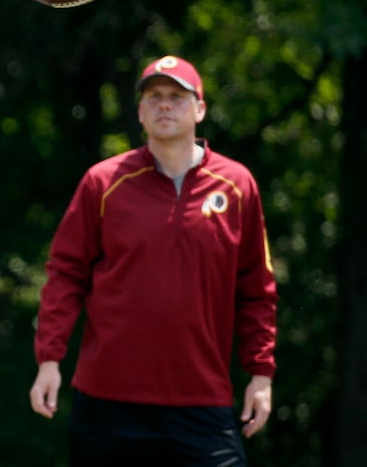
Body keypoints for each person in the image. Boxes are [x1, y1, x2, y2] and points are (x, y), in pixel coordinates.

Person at [28, 55, 277, 466]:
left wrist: (261, 374)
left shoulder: (237, 185)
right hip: (109, 403)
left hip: (203, 401)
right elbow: (65, 275)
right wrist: (49, 360)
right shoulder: (103, 182)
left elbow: (256, 289)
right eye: (154, 97)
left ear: (200, 109)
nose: (165, 105)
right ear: (140, 113)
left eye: (177, 97)